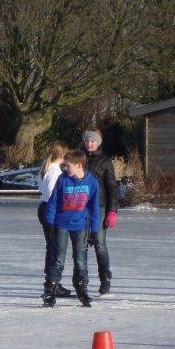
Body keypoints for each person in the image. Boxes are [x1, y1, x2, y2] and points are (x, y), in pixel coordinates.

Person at [42, 149, 100, 307]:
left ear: (79, 165)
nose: (64, 168)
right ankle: (50, 291)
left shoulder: (92, 182)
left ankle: (82, 289)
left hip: (80, 227)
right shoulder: (62, 179)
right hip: (61, 225)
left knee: (80, 260)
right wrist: (50, 223)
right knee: (58, 259)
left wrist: (94, 231)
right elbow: (52, 202)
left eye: (68, 166)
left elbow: (94, 209)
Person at [81, 129, 118, 295]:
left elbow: (112, 188)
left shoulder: (105, 162)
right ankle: (82, 280)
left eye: (93, 141)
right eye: (88, 140)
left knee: (99, 244)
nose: (90, 143)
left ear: (98, 143)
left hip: (100, 207)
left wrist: (112, 211)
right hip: (80, 207)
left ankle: (105, 279)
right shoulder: (78, 159)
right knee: (81, 245)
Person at [38, 142, 72, 298]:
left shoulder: (48, 169)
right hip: (51, 210)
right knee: (54, 248)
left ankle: (51, 281)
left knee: (52, 247)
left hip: (46, 208)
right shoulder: (54, 172)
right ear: (62, 156)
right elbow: (53, 193)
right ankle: (51, 283)